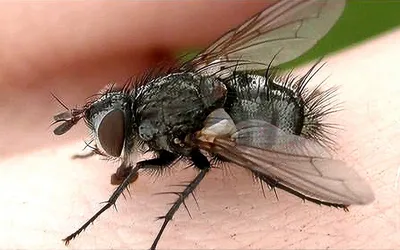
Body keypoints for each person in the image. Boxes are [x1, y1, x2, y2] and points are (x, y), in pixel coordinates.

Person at [0, 1, 398, 249]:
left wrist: (157, 229)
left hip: (269, 118)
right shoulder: (170, 85)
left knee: (207, 161)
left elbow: (205, 160)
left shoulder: (191, 137)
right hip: (241, 85)